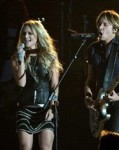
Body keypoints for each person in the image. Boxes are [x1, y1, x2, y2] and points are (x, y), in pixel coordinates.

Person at [11, 20, 63, 150]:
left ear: (38, 35)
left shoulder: (50, 56)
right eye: (24, 33)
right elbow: (21, 83)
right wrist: (21, 59)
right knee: (25, 147)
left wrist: (52, 108)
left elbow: (54, 85)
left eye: (30, 33)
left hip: (45, 108)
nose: (26, 36)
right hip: (25, 109)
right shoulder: (15, 58)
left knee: (46, 147)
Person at [84, 10, 119, 136]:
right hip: (100, 101)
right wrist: (88, 95)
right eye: (99, 24)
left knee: (114, 139)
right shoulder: (92, 48)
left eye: (105, 24)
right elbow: (90, 78)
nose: (100, 27)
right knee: (101, 142)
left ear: (115, 29)